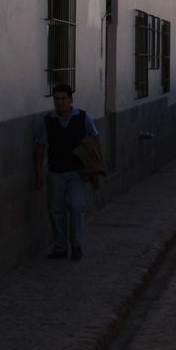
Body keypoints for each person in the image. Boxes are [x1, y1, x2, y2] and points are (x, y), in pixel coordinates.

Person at [34, 83, 99, 259]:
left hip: (77, 172)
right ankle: (60, 247)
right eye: (57, 99)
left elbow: (94, 137)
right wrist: (38, 170)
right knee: (55, 210)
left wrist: (93, 164)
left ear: (70, 100)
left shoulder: (82, 117)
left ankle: (76, 245)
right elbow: (40, 145)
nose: (60, 102)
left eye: (63, 98)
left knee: (77, 207)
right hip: (56, 172)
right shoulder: (48, 120)